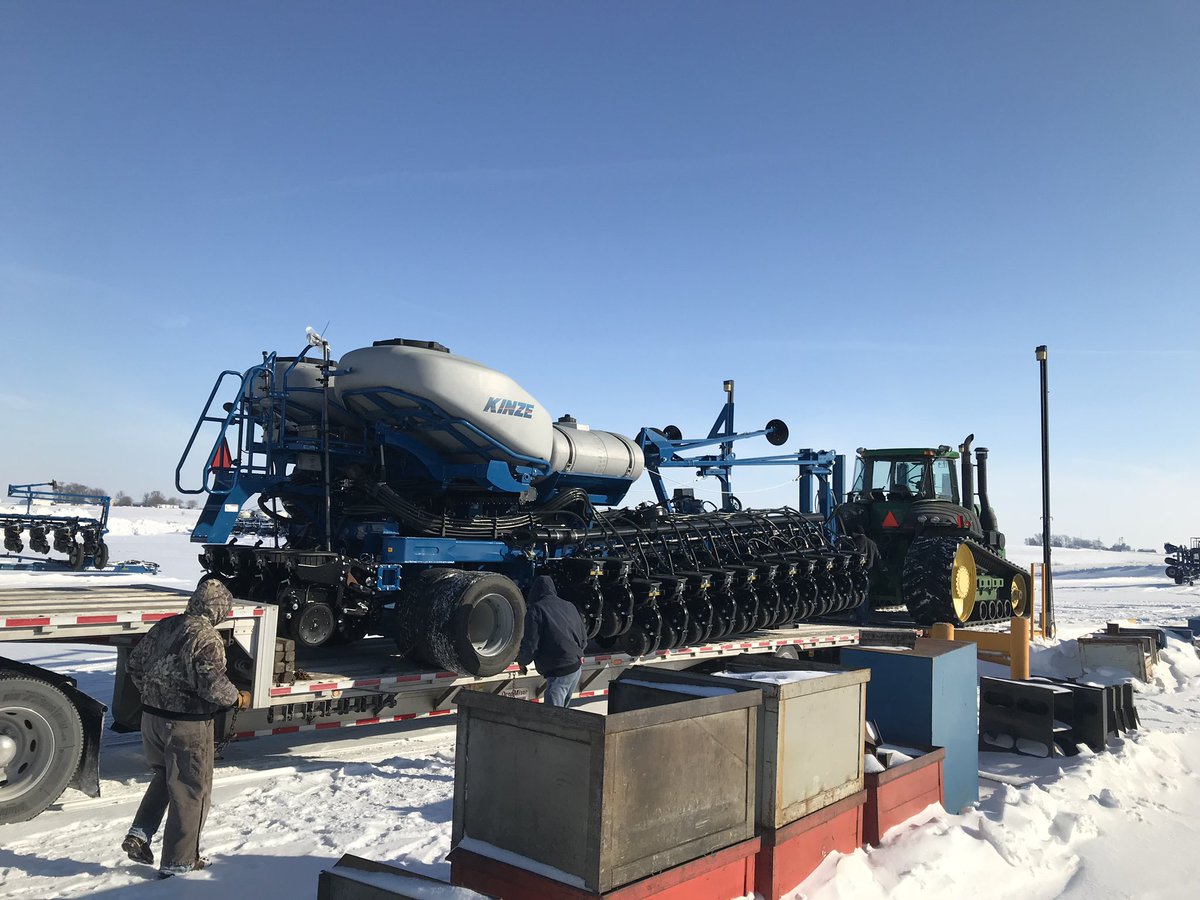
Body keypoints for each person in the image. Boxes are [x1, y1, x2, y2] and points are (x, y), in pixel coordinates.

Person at [121, 579, 251, 878]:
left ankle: (139, 834)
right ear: (218, 609)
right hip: (186, 725)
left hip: (151, 718)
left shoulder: (165, 626)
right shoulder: (206, 637)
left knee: (168, 775)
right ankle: (178, 863)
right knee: (191, 790)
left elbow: (135, 665)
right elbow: (213, 685)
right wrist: (237, 699)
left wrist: (153, 693)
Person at [516, 575, 587, 708]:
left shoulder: (536, 610)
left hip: (559, 670)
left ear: (534, 592)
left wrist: (522, 661)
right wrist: (579, 653)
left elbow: (531, 644)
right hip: (575, 668)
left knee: (553, 717)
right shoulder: (569, 605)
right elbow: (583, 636)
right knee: (562, 714)